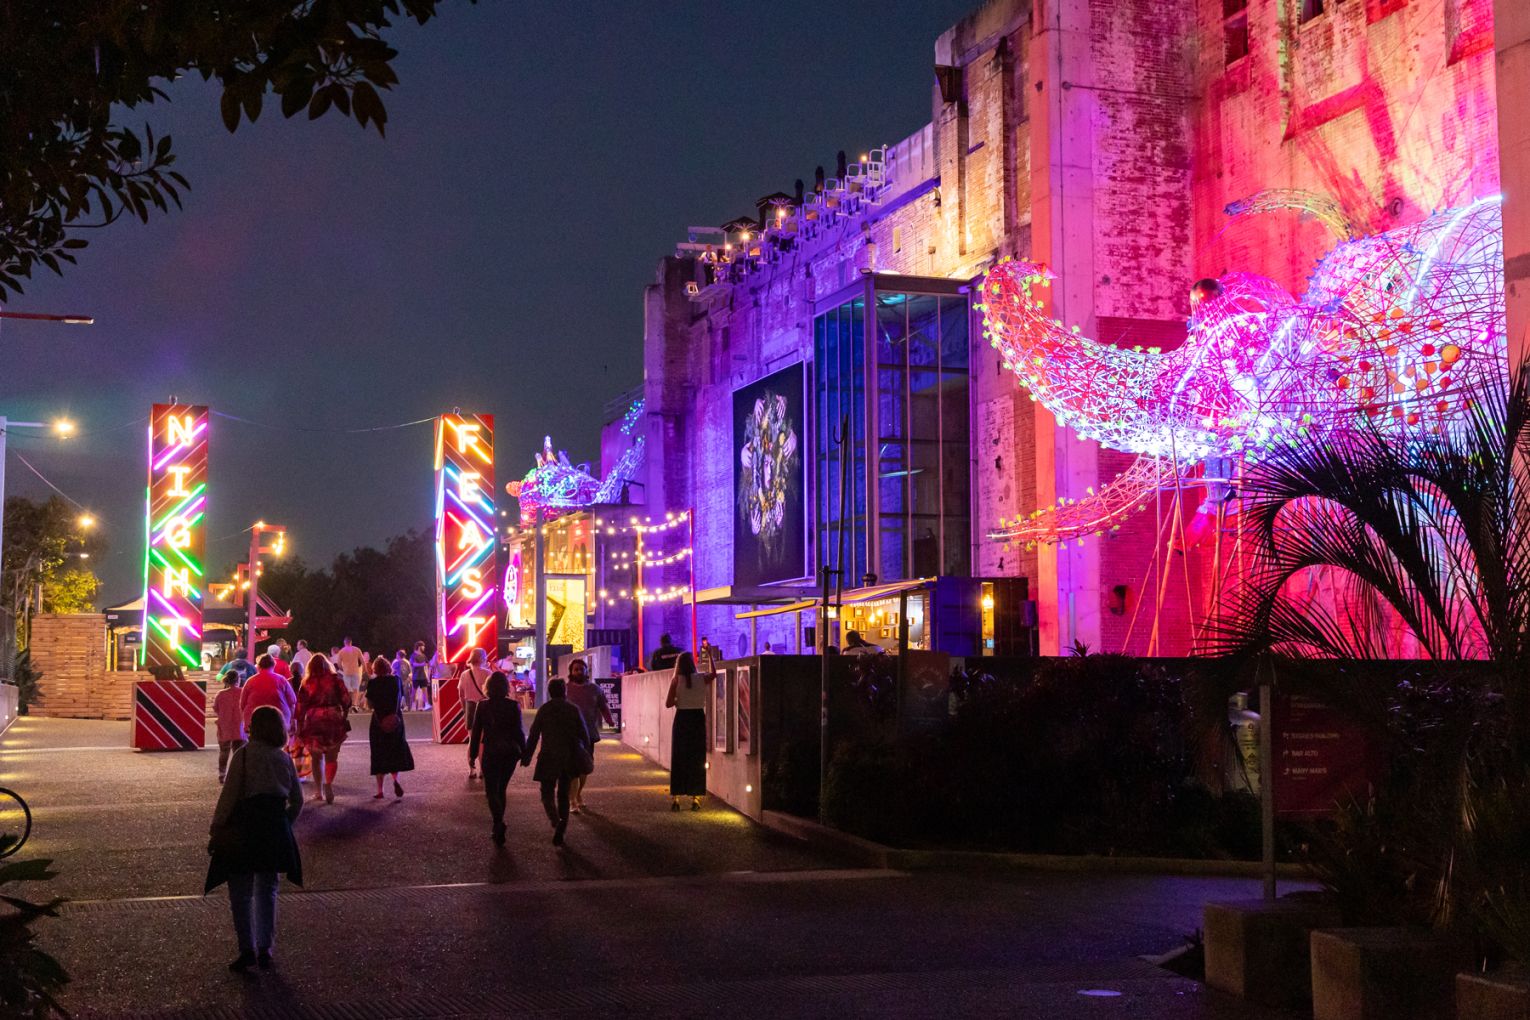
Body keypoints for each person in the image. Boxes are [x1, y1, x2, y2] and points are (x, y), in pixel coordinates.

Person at [206, 706, 303, 973]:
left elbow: (229, 796)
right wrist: (284, 823)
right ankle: (265, 948)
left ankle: (246, 949)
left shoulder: (244, 755)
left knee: (240, 891)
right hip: (273, 828)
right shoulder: (284, 758)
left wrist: (217, 828)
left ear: (254, 727)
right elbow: (297, 801)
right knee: (268, 889)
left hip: (245, 827)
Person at [521, 678, 591, 846]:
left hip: (548, 756)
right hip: (568, 757)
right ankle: (562, 826)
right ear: (564, 691)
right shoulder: (573, 709)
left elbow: (534, 735)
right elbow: (585, 735)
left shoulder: (545, 709)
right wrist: (583, 751)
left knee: (546, 793)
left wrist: (527, 756)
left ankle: (555, 820)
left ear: (549, 692)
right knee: (563, 795)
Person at [469, 671, 526, 845]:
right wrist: (525, 753)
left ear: (488, 687)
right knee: (501, 789)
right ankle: (498, 823)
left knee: (491, 790)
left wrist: (472, 755)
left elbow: (476, 733)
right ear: (505, 687)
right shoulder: (513, 706)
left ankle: (498, 823)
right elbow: (519, 732)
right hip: (510, 753)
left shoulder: (483, 706)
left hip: (491, 751)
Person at [296, 654, 352, 804]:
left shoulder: (307, 682)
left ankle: (318, 791)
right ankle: (329, 783)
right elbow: (347, 701)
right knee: (332, 757)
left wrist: (299, 725)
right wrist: (344, 716)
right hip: (333, 719)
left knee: (316, 758)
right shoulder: (336, 679)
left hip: (314, 720)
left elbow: (300, 706)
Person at [563, 659, 613, 814]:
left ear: (586, 671)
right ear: (571, 672)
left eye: (581, 669)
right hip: (570, 734)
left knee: (585, 768)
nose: (579, 672)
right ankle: (572, 800)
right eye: (576, 669)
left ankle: (578, 794)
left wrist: (610, 720)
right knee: (573, 768)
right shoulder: (565, 689)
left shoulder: (595, 689)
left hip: (589, 734)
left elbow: (603, 707)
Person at [665, 651, 711, 811]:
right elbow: (714, 675)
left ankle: (676, 798)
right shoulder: (701, 678)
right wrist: (710, 656)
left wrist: (680, 699)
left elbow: (668, 703)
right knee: (697, 758)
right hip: (697, 719)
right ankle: (696, 798)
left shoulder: (676, 680)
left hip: (682, 719)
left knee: (679, 757)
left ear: (679, 665)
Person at [365, 656, 414, 799]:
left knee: (378, 753)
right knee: (394, 750)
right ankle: (395, 780)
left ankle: (380, 790)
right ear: (388, 667)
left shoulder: (373, 683)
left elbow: (370, 705)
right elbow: (401, 697)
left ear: (375, 669)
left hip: (379, 721)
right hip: (395, 719)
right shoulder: (396, 680)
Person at [241, 654, 298, 733]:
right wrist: (292, 720)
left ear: (259, 666)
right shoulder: (281, 680)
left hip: (255, 721)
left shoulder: (250, 681)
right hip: (279, 721)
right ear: (273, 665)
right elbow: (292, 701)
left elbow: (242, 704)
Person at [457, 648, 491, 777]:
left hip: (470, 707)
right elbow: (491, 693)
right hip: (484, 707)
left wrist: (464, 709)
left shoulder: (464, 674)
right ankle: (482, 770)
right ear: (482, 658)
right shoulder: (487, 673)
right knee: (482, 741)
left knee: (472, 740)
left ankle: (471, 770)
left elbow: (460, 694)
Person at [213, 673, 246, 784]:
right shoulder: (243, 692)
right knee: (238, 752)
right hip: (239, 725)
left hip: (224, 725)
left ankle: (222, 774)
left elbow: (216, 708)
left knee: (224, 751)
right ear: (238, 680)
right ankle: (238, 775)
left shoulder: (220, 694)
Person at [410, 642, 432, 711]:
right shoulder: (413, 655)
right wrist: (422, 664)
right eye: (423, 646)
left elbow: (428, 663)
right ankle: (413, 705)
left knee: (425, 691)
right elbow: (413, 664)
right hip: (416, 677)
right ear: (419, 647)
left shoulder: (424, 655)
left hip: (423, 676)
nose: (424, 647)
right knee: (414, 691)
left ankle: (427, 704)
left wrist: (430, 665)